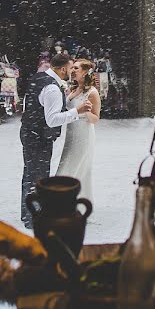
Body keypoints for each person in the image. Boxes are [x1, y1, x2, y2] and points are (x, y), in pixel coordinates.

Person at [20, 52, 93, 229]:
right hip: (39, 136)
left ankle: (27, 213)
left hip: (30, 132)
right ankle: (34, 217)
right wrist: (78, 112)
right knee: (39, 176)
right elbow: (52, 119)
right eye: (70, 68)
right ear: (62, 69)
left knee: (30, 173)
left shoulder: (38, 77)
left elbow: (28, 104)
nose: (71, 72)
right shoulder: (52, 88)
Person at [55, 58, 101, 208]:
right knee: (71, 168)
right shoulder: (73, 89)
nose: (72, 71)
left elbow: (95, 119)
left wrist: (84, 112)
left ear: (86, 72)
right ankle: (74, 203)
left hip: (83, 136)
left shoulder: (92, 93)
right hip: (71, 135)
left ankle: (62, 204)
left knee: (70, 169)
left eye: (76, 68)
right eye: (72, 68)